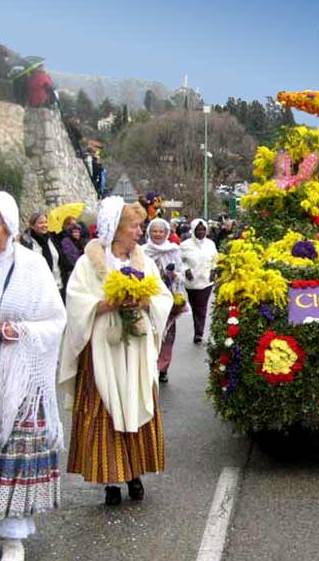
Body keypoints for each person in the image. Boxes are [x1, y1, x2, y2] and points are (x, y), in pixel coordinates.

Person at [59, 197, 173, 506]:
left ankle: (134, 473)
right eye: (134, 226)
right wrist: (104, 304)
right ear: (116, 230)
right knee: (104, 409)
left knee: (135, 401)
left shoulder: (143, 261)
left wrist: (144, 301)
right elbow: (75, 300)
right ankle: (110, 479)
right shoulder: (88, 263)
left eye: (139, 226)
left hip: (134, 347)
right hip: (101, 349)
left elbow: (162, 296)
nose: (139, 231)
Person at [0, 192, 66, 561]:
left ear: (8, 226)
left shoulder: (31, 266)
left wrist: (19, 331)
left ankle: (11, 538)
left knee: (14, 452)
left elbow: (55, 320)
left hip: (20, 376)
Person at [142, 218, 186, 383]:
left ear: (167, 233)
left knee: (168, 334)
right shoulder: (142, 251)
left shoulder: (173, 250)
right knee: (150, 332)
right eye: (155, 231)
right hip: (149, 299)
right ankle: (150, 364)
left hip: (169, 299)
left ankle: (163, 368)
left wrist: (174, 275)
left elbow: (182, 273)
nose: (158, 234)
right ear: (149, 232)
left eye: (161, 231)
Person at [180, 219, 217, 344]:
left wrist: (213, 271)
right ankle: (198, 327)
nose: (201, 232)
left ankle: (199, 333)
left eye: (203, 229)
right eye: (198, 230)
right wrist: (186, 270)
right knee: (195, 306)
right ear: (193, 230)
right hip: (191, 282)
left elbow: (215, 259)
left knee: (201, 307)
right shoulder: (185, 245)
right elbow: (180, 261)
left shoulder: (210, 244)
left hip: (206, 280)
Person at [20, 212, 63, 298]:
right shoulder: (26, 243)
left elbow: (61, 260)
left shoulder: (51, 239)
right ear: (32, 225)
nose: (44, 225)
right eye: (40, 223)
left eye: (46, 222)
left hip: (57, 285)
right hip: (39, 289)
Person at [59, 223, 85, 298]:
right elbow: (70, 256)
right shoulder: (66, 241)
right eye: (75, 232)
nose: (77, 234)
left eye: (78, 232)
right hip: (71, 270)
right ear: (70, 232)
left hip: (79, 269)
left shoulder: (79, 242)